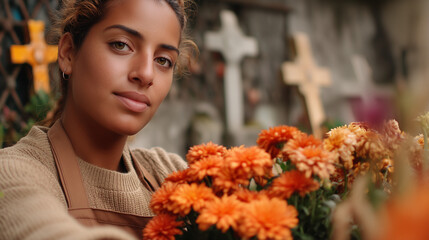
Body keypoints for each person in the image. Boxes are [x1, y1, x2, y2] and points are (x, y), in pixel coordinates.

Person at [0, 0, 195, 239]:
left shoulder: (173, 175)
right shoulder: (15, 173)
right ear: (68, 53)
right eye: (121, 45)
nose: (146, 74)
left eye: (163, 60)